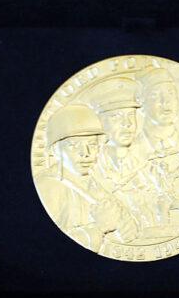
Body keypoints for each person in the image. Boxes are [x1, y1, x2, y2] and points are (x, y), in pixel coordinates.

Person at [35, 103, 137, 251]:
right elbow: (45, 247)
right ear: (56, 150)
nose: (86, 153)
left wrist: (127, 226)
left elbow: (128, 231)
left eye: (92, 144)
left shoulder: (95, 184)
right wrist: (99, 228)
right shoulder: (48, 187)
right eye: (74, 145)